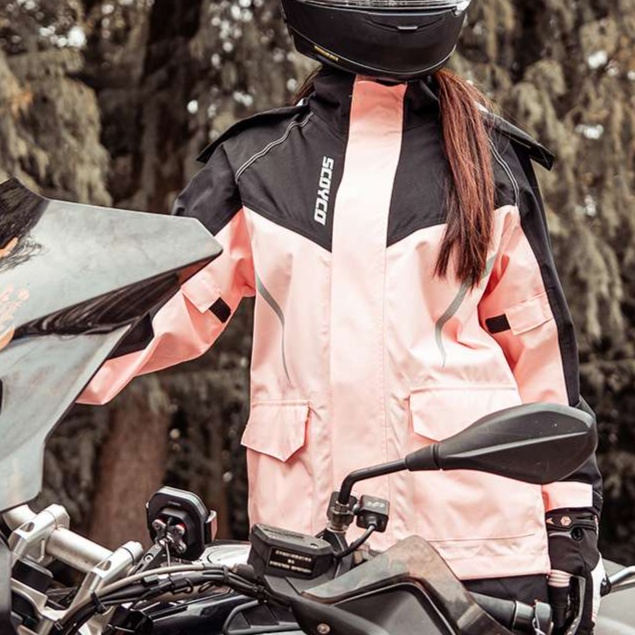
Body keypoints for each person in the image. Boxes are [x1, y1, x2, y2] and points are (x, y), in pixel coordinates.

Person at [79, 1, 605, 632]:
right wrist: (29, 360)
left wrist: (570, 521)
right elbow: (150, 312)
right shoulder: (259, 162)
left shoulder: (490, 161)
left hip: (475, 553)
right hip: (307, 555)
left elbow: (541, 358)